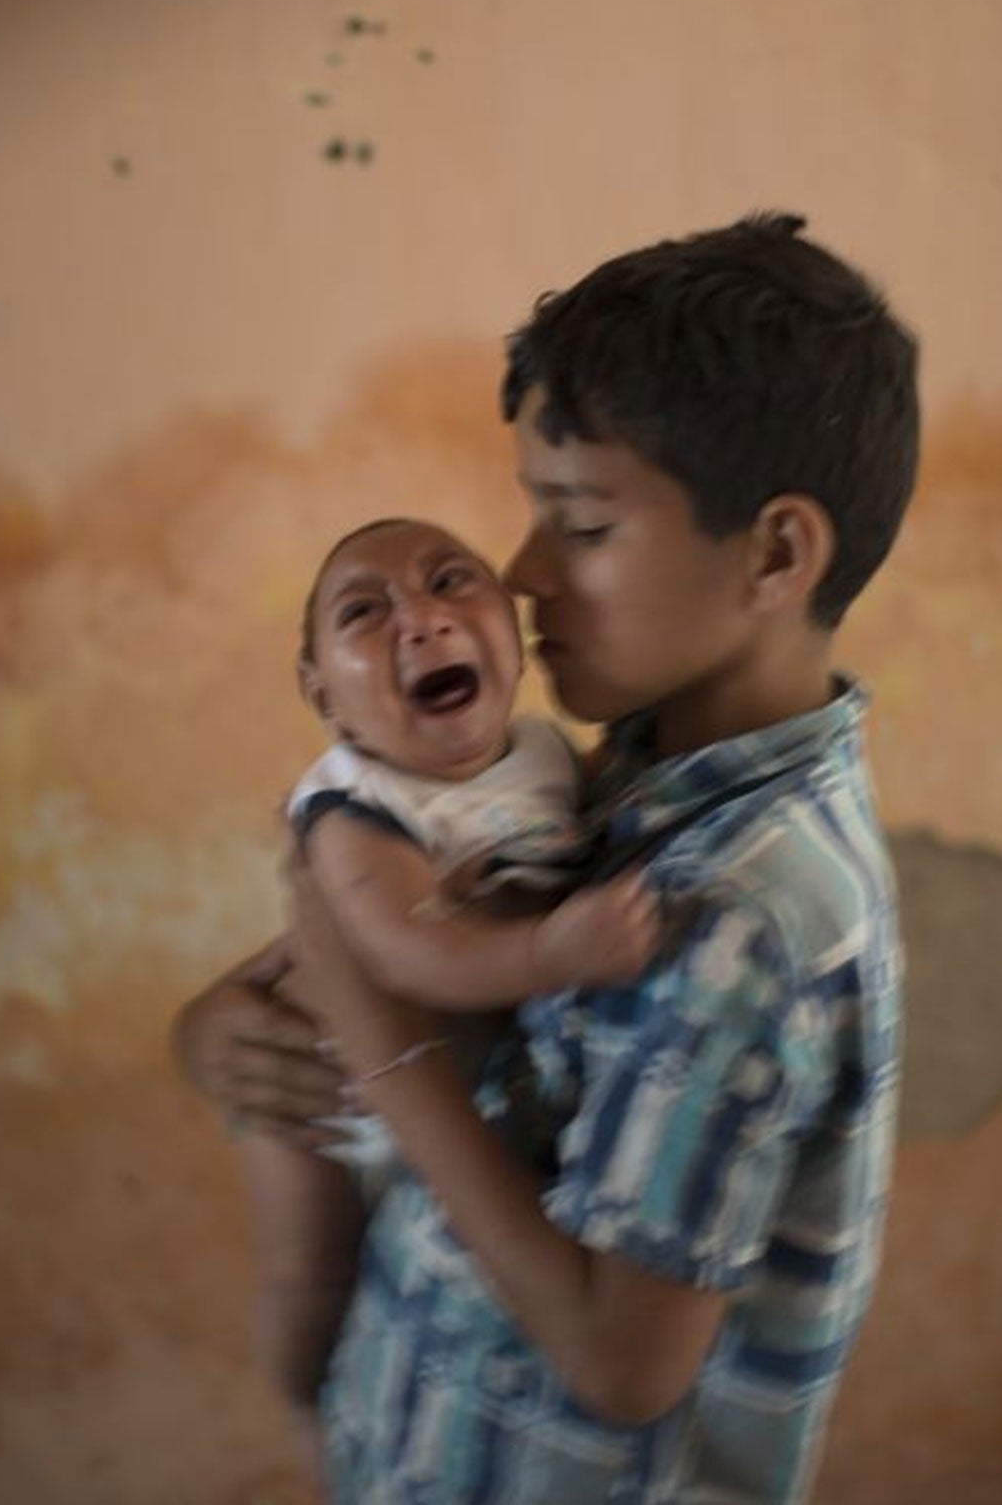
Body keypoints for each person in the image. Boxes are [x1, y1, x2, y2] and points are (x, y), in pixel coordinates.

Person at [175, 211, 918, 1503]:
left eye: (579, 524)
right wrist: (226, 1026)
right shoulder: (635, 771)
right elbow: (415, 939)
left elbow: (619, 1365)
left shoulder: (742, 913)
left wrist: (384, 1054)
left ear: (777, 553)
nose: (519, 575)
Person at [239, 516, 662, 1482]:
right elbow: (406, 954)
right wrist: (552, 947)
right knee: (310, 1279)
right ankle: (308, 1413)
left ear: (512, 639)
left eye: (450, 582)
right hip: (325, 1106)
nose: (421, 621)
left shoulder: (551, 758)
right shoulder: (354, 806)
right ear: (322, 696)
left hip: (438, 1092)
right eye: (364, 612)